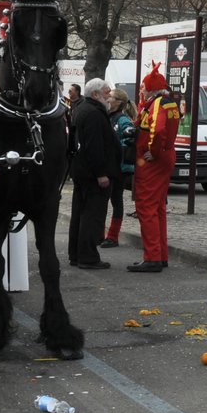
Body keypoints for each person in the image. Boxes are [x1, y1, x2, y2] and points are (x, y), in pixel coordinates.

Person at [129, 64, 179, 273]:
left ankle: (152, 257)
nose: (140, 90)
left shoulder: (157, 104)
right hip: (163, 158)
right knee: (157, 207)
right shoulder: (168, 103)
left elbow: (158, 131)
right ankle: (160, 254)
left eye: (143, 87)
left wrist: (153, 151)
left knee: (146, 207)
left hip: (151, 161)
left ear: (151, 89)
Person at [67, 78, 119, 270]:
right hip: (93, 175)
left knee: (79, 214)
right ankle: (88, 257)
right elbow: (94, 146)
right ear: (96, 94)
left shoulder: (81, 109)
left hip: (81, 171)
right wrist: (101, 173)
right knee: (91, 215)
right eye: (107, 92)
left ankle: (76, 254)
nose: (110, 96)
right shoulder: (94, 114)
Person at [102, 87, 138, 249]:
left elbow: (130, 133)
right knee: (109, 200)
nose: (107, 99)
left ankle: (113, 236)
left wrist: (119, 149)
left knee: (116, 201)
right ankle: (105, 234)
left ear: (118, 102)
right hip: (111, 167)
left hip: (120, 169)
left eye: (110, 97)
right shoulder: (109, 116)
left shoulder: (121, 119)